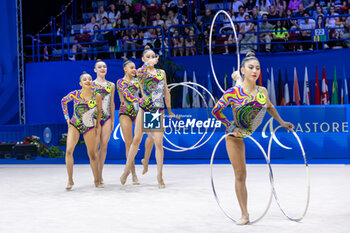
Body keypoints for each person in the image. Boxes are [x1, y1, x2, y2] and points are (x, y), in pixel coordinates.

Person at [212, 52, 294, 225]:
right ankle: (245, 214)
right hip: (236, 134)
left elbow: (270, 107)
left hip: (249, 128)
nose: (255, 70)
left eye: (257, 68)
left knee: (244, 89)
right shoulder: (232, 93)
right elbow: (216, 111)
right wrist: (231, 126)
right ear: (243, 69)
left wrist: (282, 122)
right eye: (250, 68)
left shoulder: (262, 92)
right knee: (241, 175)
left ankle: (236, 77)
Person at [120, 49, 178, 188]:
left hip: (157, 109)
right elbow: (140, 72)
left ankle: (160, 176)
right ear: (143, 59)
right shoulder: (140, 72)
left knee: (158, 143)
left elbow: (166, 92)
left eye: (153, 56)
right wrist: (147, 64)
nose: (151, 58)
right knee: (136, 140)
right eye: (148, 57)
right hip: (144, 107)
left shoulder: (161, 72)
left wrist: (169, 111)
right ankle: (126, 171)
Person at [61, 72, 103, 190]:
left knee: (92, 155)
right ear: (80, 83)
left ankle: (96, 180)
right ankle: (70, 180)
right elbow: (63, 101)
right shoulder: (75, 94)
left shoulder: (97, 96)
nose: (88, 81)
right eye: (85, 79)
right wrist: (67, 119)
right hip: (74, 125)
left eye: (89, 79)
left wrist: (98, 124)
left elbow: (99, 111)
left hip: (89, 126)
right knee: (69, 151)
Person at [116, 59, 155, 184]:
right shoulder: (120, 82)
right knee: (129, 143)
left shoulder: (138, 81)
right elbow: (128, 96)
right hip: (125, 112)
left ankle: (145, 160)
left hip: (137, 111)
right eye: (131, 67)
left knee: (151, 135)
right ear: (125, 69)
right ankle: (132, 174)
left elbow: (146, 93)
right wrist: (139, 99)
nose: (134, 70)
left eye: (135, 68)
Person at [92, 60, 115, 185]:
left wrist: (112, 120)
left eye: (104, 66)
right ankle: (96, 176)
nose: (102, 68)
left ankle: (100, 173)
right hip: (95, 118)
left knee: (104, 146)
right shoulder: (91, 84)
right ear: (95, 70)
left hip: (106, 117)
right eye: (99, 67)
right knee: (95, 148)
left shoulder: (111, 85)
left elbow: (111, 103)